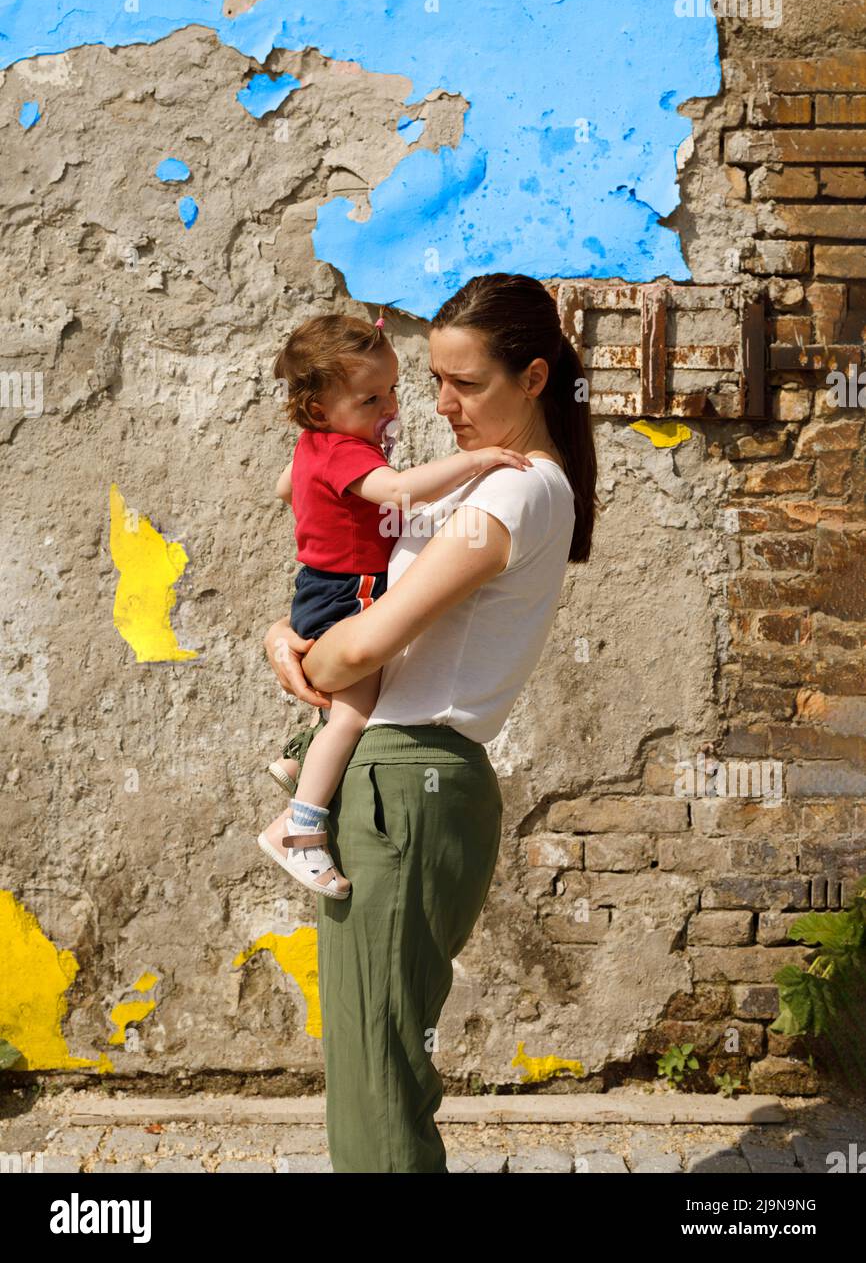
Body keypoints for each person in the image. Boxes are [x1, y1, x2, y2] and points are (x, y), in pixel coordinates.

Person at [263, 272, 599, 1173]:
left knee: (379, 1084)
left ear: (533, 380)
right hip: (392, 783)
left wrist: (312, 655)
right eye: (436, 381)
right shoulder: (473, 487)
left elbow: (358, 652)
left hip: (410, 781)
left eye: (469, 384)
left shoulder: (515, 495)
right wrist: (286, 633)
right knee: (372, 1068)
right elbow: (352, 604)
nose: (442, 405)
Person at [258, 309, 533, 899]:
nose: (389, 408)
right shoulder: (346, 453)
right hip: (346, 590)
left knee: (344, 701)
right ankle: (300, 830)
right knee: (354, 711)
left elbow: (286, 487)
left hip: (319, 584)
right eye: (369, 400)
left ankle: (298, 758)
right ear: (318, 410)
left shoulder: (316, 446)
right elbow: (400, 490)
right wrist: (476, 461)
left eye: (391, 392)